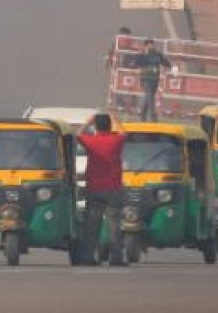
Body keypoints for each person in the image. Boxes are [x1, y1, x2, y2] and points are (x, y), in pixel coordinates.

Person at [78, 113, 126, 266]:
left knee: (91, 226)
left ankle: (87, 257)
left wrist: (88, 121)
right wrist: (115, 119)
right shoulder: (116, 140)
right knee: (115, 226)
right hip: (113, 189)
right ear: (109, 126)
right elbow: (124, 133)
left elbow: (78, 134)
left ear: (96, 126)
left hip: (94, 189)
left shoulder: (91, 141)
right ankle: (116, 258)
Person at [132, 39, 172, 121]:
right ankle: (153, 116)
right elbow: (135, 64)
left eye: (152, 45)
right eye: (149, 45)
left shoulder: (158, 55)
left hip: (155, 79)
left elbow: (167, 64)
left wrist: (166, 67)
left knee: (149, 97)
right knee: (150, 96)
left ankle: (143, 114)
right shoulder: (141, 55)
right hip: (145, 79)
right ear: (145, 46)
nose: (151, 47)